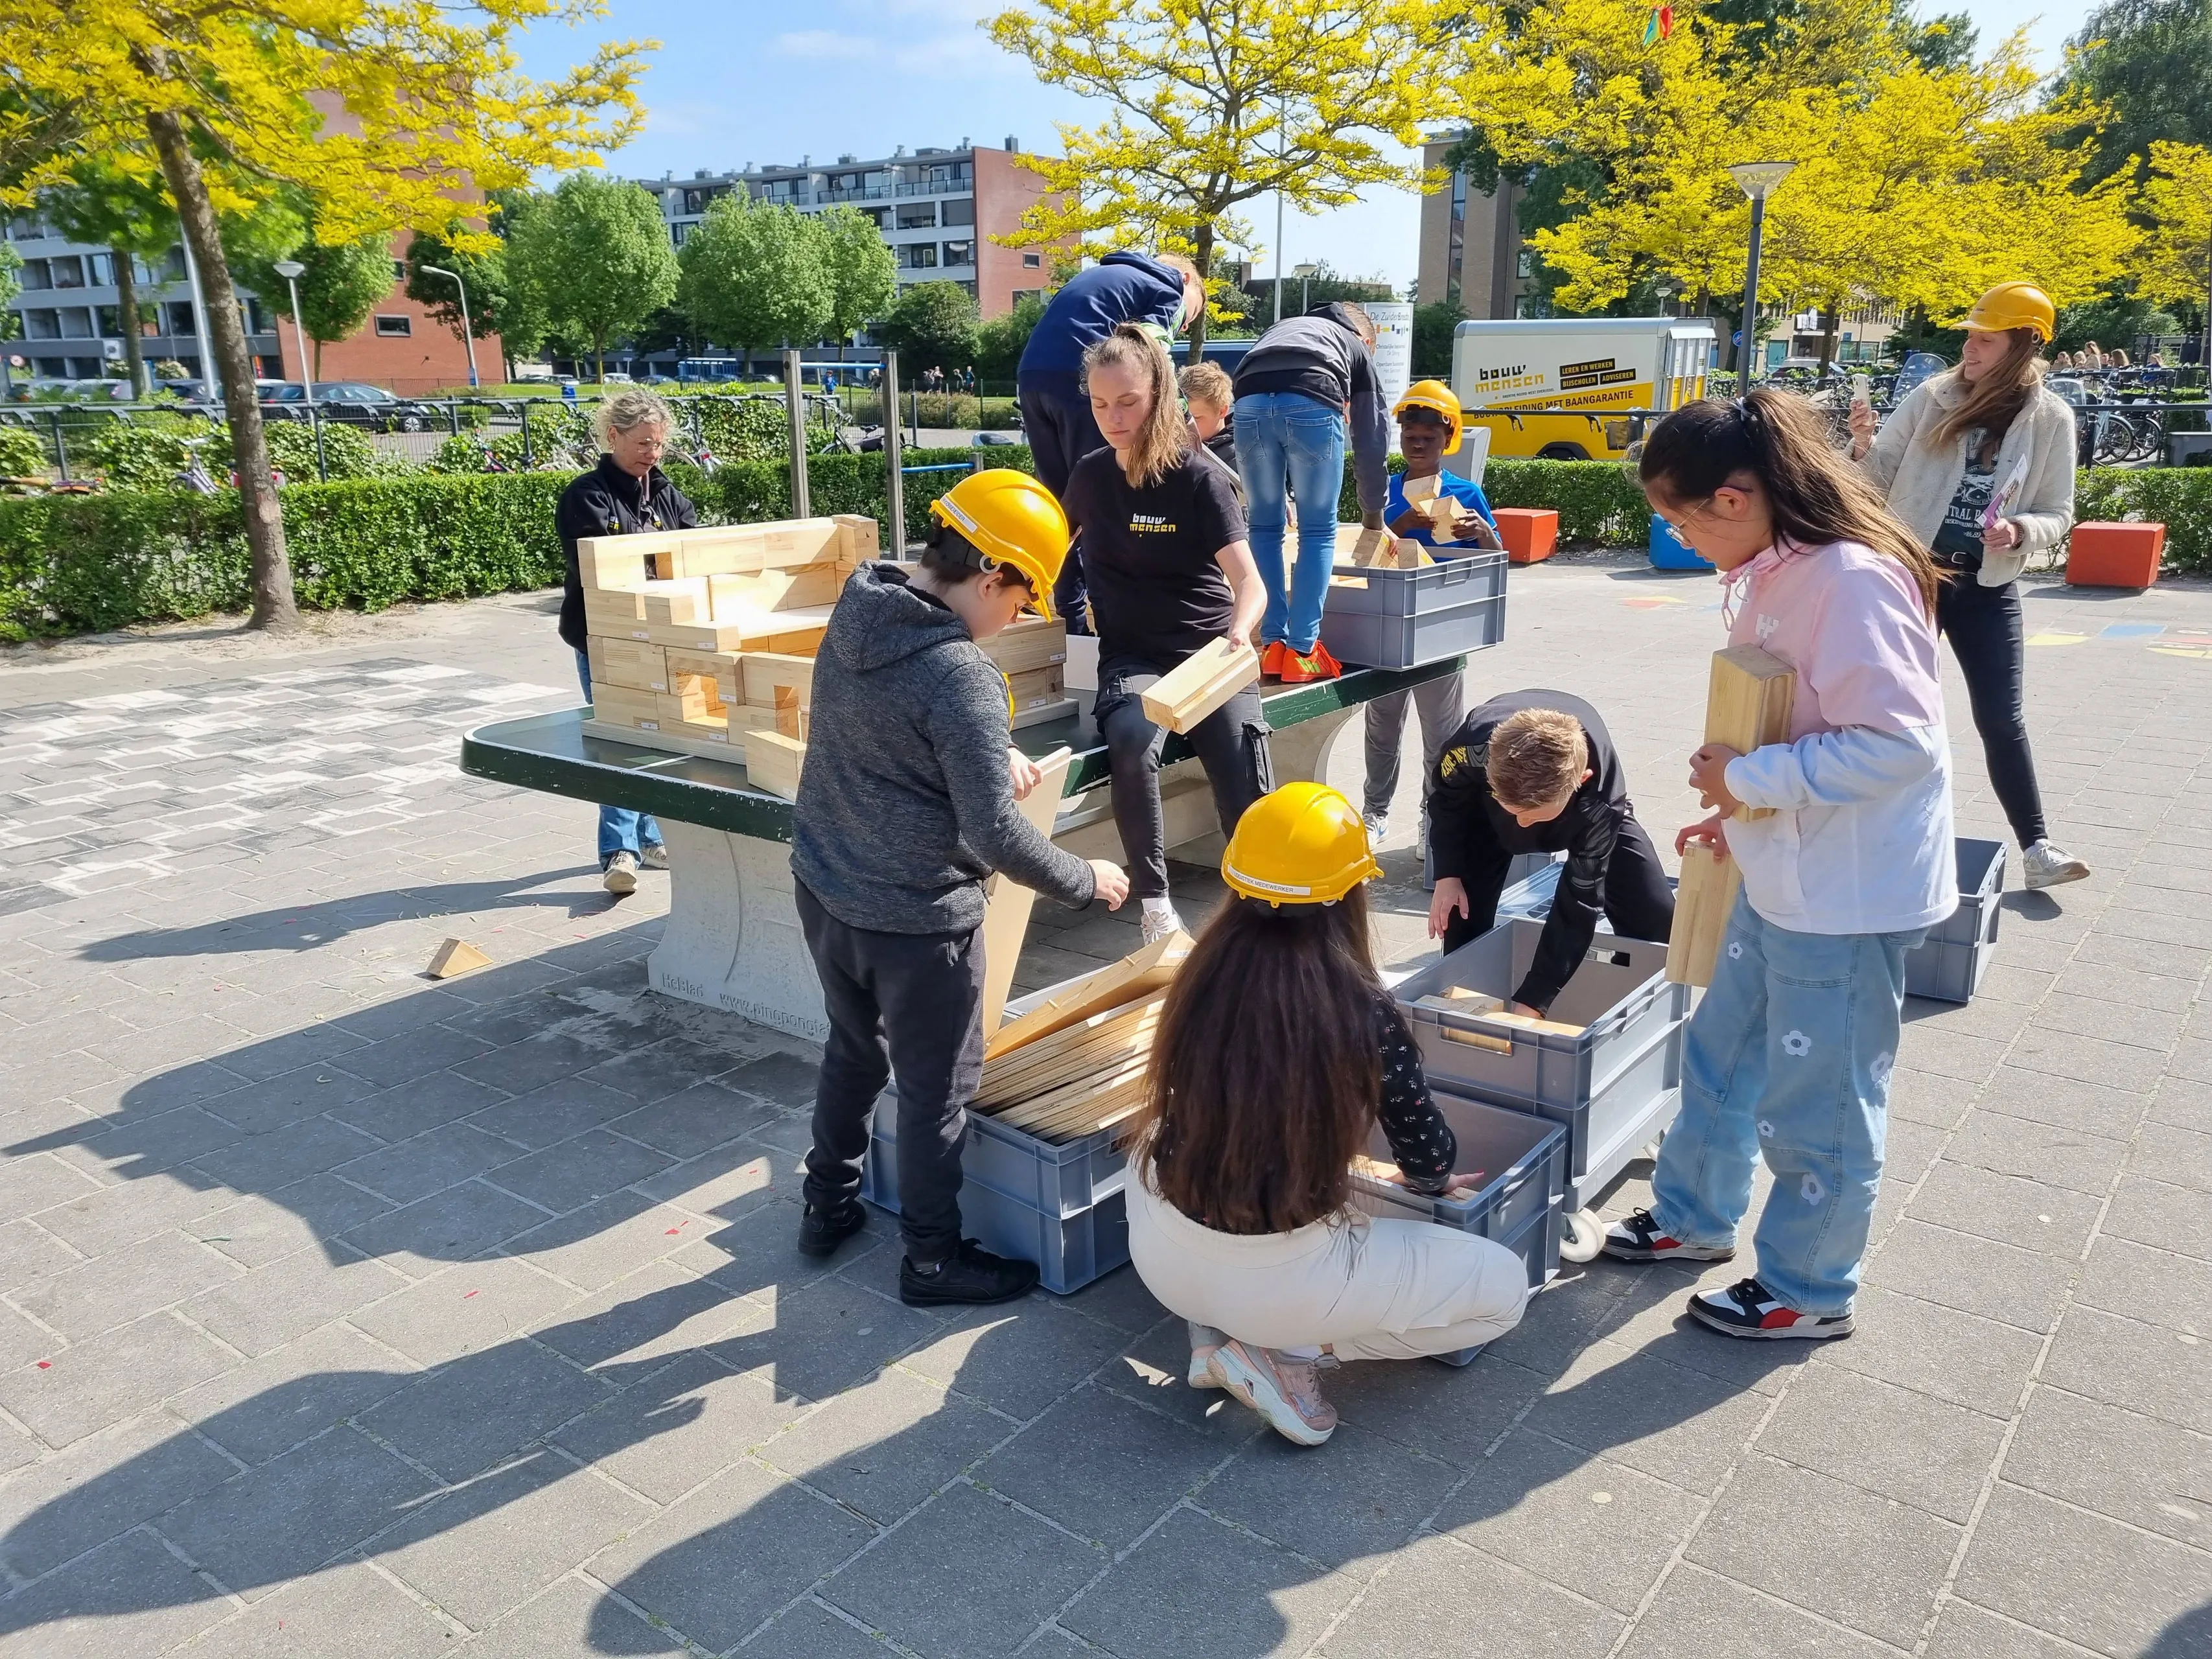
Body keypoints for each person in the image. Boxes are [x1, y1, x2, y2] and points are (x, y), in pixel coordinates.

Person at [1606, 389, 1957, 1341]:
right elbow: (1795, 722)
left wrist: (1751, 779)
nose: (1674, 535)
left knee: (1824, 1099)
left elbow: (1898, 746)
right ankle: (1692, 1218)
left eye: (1676, 517)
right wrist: (1741, 812)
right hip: (1787, 872)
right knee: (1724, 1056)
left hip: (1847, 895)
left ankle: (1809, 1285)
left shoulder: (1847, 578)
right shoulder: (1776, 567)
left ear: (1732, 496)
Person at [791, 469, 1132, 1306]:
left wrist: (982, 758)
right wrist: (1086, 880)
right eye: (1019, 603)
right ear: (990, 579)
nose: (1013, 621)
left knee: (851, 1048)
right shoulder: (959, 674)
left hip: (827, 888)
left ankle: (826, 1204)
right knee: (938, 1089)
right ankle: (932, 1262)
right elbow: (993, 834)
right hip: (917, 922)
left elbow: (881, 731)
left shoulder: (860, 604)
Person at [1126, 782, 1532, 1446]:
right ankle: (1288, 1355)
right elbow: (1427, 1153)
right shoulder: (1361, 1009)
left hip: (1164, 1259)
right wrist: (1429, 1185)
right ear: (1350, 891)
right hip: (1287, 1284)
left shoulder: (1198, 973)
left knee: (1149, 1133)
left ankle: (1215, 1335)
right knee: (1504, 1291)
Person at [1848, 281, 2088, 890]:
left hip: (1986, 584)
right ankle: (1871, 843)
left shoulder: (2051, 418)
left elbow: (2059, 511)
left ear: (2023, 344)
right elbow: (1873, 478)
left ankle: (2038, 850)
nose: (1970, 346)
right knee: (1888, 713)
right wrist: (1858, 444)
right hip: (1912, 577)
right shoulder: (1933, 396)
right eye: (1971, 336)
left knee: (2001, 719)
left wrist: (2021, 529)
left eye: (1985, 338)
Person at [1064, 325, 1271, 946]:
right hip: (1133, 657)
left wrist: (1239, 633)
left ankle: (1260, 910)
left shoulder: (1198, 478)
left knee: (1241, 776)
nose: (1112, 417)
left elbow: (1251, 584)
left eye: (1126, 401)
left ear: (1158, 394)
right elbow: (1048, 550)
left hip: (1209, 655)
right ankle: (1155, 909)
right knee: (1129, 740)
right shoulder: (1091, 476)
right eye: (1100, 404)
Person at [1427, 694, 1677, 1016]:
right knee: (1461, 916)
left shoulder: (1600, 802)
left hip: (1584, 813)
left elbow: (1578, 903)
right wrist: (1448, 874)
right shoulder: (1470, 752)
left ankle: (1634, 1006)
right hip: (1485, 814)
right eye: (1515, 813)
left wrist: (1534, 1000)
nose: (1522, 826)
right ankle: (1462, 1013)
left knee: (1657, 921)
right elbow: (1445, 801)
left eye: (1533, 816)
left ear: (1580, 780)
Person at [1016, 250, 1208, 629]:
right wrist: (1182, 416)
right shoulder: (1167, 288)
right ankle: (1110, 620)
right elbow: (1153, 360)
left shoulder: (1102, 278)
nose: (1184, 326)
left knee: (1061, 505)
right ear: (1186, 281)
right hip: (1082, 380)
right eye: (1192, 314)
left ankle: (1069, 619)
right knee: (1101, 498)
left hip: (1032, 375)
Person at [554, 389, 693, 894]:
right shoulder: (585, 495)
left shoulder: (669, 493)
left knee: (657, 742)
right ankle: (620, 849)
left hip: (662, 638)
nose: (652, 454)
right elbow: (602, 569)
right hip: (604, 639)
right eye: (642, 443)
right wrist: (658, 561)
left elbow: (692, 551)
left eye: (658, 445)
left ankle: (653, 837)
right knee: (618, 742)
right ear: (613, 436)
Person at [1361, 380, 1501, 850]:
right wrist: (1398, 526)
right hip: (1388, 624)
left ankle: (1433, 815)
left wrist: (1481, 531)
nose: (1417, 444)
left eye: (1428, 437)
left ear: (1447, 439)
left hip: (1442, 628)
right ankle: (1374, 812)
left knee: (1441, 736)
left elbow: (1496, 561)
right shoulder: (1381, 493)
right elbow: (1361, 557)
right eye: (1409, 436)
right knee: (1381, 729)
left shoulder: (1466, 492)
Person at [1232, 301, 1391, 683]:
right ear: (1365, 339)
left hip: (1248, 401)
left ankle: (1272, 647)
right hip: (1312, 399)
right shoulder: (1353, 345)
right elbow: (1372, 438)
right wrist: (1374, 516)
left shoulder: (1284, 327)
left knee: (1265, 528)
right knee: (1318, 531)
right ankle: (1302, 651)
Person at [1179, 359, 1239, 483]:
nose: (1186, 426)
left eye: (1196, 418)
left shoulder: (1240, 457)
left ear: (1222, 411)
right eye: (1182, 418)